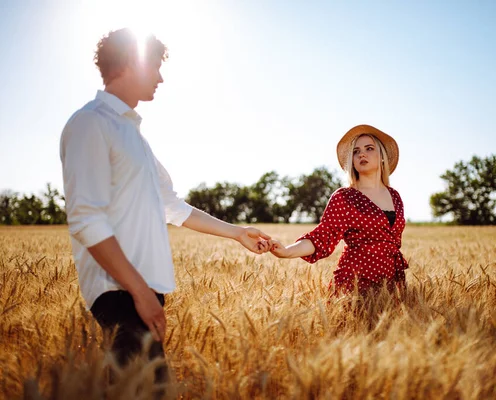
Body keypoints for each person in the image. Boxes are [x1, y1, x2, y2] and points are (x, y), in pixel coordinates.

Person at [59, 28, 271, 382]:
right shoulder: (91, 123)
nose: (160, 77)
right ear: (130, 63)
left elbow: (172, 206)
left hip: (140, 291)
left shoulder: (133, 136)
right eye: (155, 66)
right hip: (121, 291)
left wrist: (237, 234)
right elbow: (85, 219)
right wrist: (139, 292)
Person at [269, 124, 408, 296]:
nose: (362, 154)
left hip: (392, 283)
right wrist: (288, 251)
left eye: (369, 148)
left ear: (382, 157)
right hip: (356, 284)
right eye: (356, 151)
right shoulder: (345, 197)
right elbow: (323, 236)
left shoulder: (395, 196)